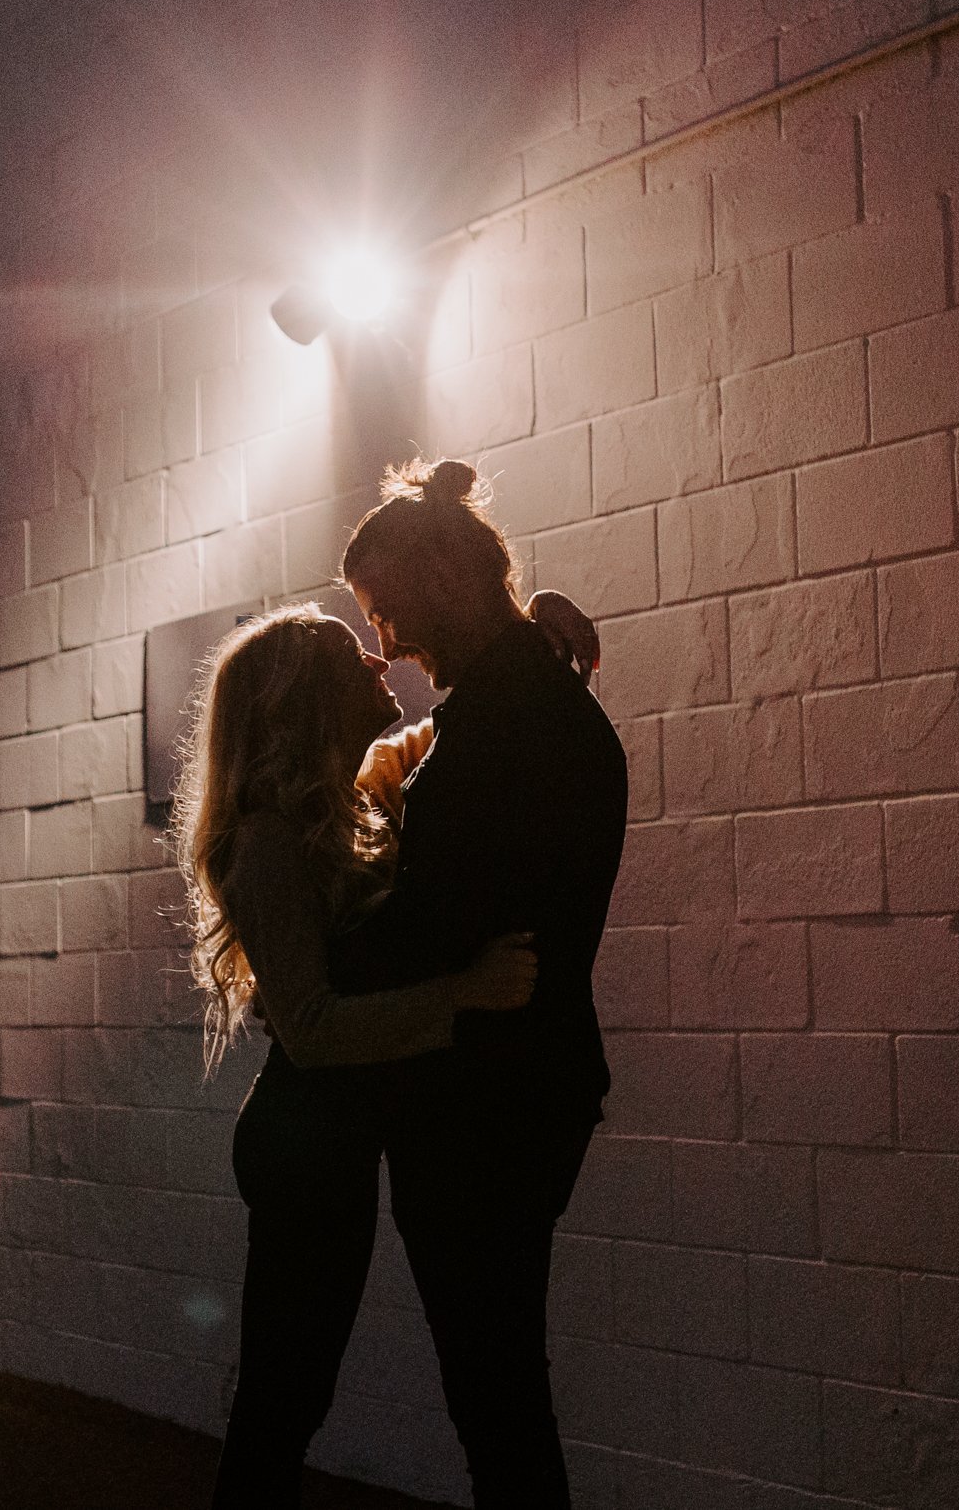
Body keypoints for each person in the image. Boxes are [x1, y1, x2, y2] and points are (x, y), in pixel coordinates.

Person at [177, 604, 541, 1509]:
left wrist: (532, 628)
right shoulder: (268, 841)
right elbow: (312, 1027)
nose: (380, 657)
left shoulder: (345, 802)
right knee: (283, 1395)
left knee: (290, 1391)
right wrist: (463, 993)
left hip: (328, 1137)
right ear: (306, 696)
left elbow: (452, 725)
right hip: (303, 1138)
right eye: (352, 655)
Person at [331, 458, 628, 1509]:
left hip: (484, 1106)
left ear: (448, 576)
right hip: (527, 1089)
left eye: (388, 609)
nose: (387, 641)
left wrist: (315, 941)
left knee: (494, 1392)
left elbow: (424, 927)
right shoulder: (530, 707)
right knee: (500, 1385)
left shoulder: (500, 728)